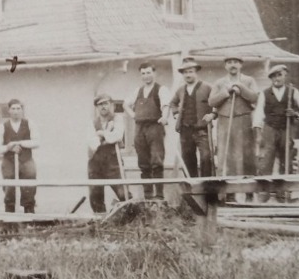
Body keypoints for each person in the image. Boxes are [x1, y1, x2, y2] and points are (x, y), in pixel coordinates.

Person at [254, 64, 299, 203]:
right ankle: (263, 195)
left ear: (285, 76)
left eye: (279, 75)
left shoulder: (293, 92)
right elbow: (259, 113)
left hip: (286, 129)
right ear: (271, 78)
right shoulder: (264, 93)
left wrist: (294, 114)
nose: (277, 78)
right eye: (274, 76)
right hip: (270, 129)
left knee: (286, 160)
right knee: (266, 161)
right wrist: (259, 134)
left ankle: (283, 195)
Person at [210, 56, 260, 193]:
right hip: (224, 121)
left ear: (241, 65)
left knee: (245, 155)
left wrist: (241, 89)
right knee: (225, 155)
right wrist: (225, 92)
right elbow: (211, 102)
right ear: (225, 66)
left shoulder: (249, 80)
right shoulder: (219, 83)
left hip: (243, 120)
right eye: (229, 63)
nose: (233, 65)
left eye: (236, 62)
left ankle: (248, 191)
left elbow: (255, 97)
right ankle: (226, 191)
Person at [168, 58, 215, 177]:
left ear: (196, 72)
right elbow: (173, 103)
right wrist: (176, 114)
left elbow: (217, 104)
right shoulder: (180, 90)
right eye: (185, 72)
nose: (188, 75)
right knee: (188, 160)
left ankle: (207, 190)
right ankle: (191, 190)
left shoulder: (207, 87)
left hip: (202, 130)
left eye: (190, 71)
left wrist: (212, 114)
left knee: (206, 158)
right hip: (185, 131)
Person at [129, 61, 168, 200]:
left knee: (156, 161)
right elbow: (125, 104)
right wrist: (133, 115)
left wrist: (164, 117)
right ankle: (148, 195)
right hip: (139, 128)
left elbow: (165, 105)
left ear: (154, 73)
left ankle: (159, 195)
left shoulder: (161, 89)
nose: (146, 76)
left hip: (154, 127)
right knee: (143, 162)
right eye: (143, 73)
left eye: (148, 73)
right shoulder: (137, 91)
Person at [0, 98, 37, 214]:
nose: (16, 111)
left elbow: (37, 142)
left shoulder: (29, 123)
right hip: (9, 161)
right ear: (9, 111)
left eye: (18, 108)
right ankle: (10, 219)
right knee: (9, 189)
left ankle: (29, 217)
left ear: (22, 110)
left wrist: (19, 143)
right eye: (13, 109)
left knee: (29, 187)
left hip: (26, 160)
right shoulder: (3, 126)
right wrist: (8, 147)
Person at [87, 93, 128, 214]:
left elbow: (117, 136)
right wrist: (106, 134)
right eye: (100, 105)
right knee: (95, 195)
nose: (103, 107)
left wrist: (102, 134)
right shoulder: (92, 123)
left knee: (123, 192)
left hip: (113, 161)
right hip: (95, 161)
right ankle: (100, 222)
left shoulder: (117, 119)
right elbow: (92, 143)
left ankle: (129, 219)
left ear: (111, 105)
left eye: (105, 103)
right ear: (96, 107)